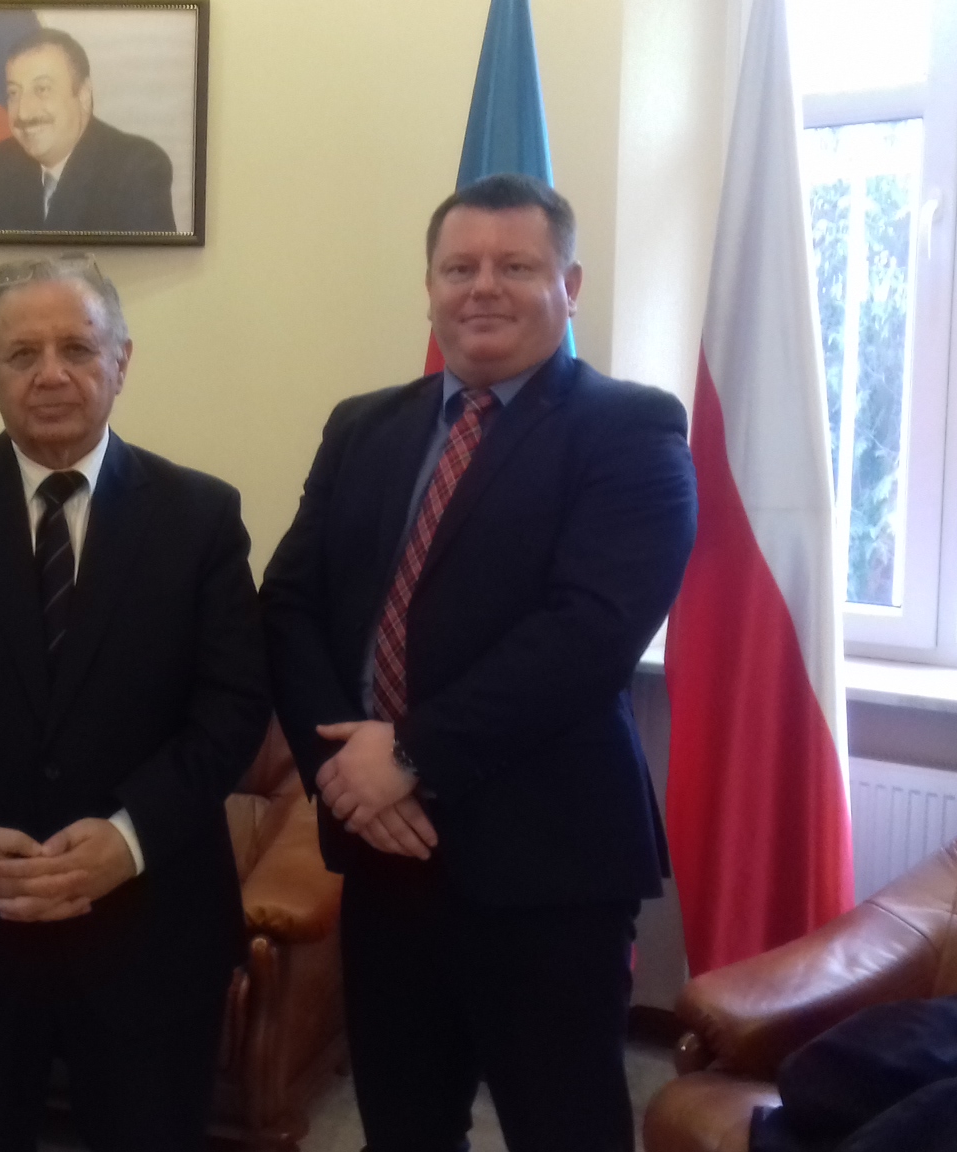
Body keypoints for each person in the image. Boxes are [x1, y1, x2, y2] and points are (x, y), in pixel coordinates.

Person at [260, 173, 698, 1152]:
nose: (482, 288)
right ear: (429, 286)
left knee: (565, 1129)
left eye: (515, 266)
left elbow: (586, 635)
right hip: (384, 858)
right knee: (402, 1127)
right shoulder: (363, 426)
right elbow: (287, 604)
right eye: (459, 268)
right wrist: (342, 774)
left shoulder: (631, 429)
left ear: (568, 285)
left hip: (545, 865)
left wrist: (407, 754)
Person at [0, 254, 268, 1151]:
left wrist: (128, 837)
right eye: (21, 353)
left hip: (149, 925)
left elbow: (231, 706)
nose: (50, 374)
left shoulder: (199, 516)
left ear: (121, 361)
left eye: (77, 347)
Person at [0, 29, 175, 234]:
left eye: (42, 89)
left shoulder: (136, 168)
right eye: (14, 93)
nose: (23, 113)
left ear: (83, 95)